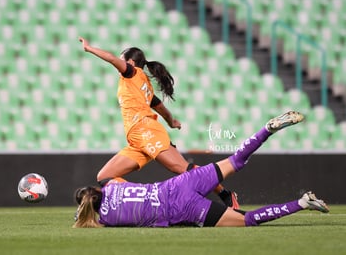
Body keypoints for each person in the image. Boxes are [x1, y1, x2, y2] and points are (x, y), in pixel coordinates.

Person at [73, 110, 330, 228]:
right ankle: (267, 129)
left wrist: (82, 215)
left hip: (182, 209)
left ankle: (303, 203)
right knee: (236, 160)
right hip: (178, 184)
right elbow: (106, 175)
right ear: (96, 189)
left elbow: (94, 220)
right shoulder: (112, 184)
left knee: (248, 219)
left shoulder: (106, 218)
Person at [78, 37, 239, 209]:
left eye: (122, 58)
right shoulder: (142, 83)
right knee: (105, 176)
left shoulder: (132, 73)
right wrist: (171, 121)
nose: (119, 62)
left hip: (146, 130)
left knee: (182, 168)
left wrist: (89, 48)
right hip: (137, 140)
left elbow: (110, 58)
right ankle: (134, 205)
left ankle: (225, 194)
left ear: (131, 62)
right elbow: (159, 106)